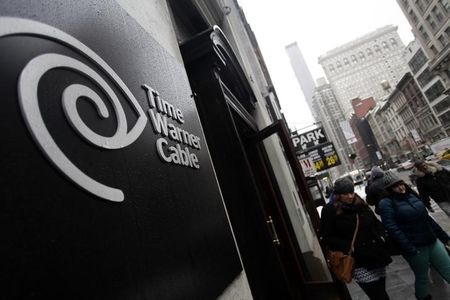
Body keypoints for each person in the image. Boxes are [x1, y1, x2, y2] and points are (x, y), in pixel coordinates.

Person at [378, 171, 450, 300]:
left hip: (431, 241)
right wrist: (409, 248)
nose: (401, 188)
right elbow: (392, 228)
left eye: (401, 184)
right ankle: (422, 296)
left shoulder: (412, 196)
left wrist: (445, 238)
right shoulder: (386, 203)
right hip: (415, 247)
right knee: (422, 277)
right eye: (396, 186)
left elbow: (427, 219)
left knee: (448, 267)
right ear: (389, 189)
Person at [321, 177, 392, 300]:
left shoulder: (360, 204)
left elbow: (375, 222)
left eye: (351, 192)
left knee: (381, 291)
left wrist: (382, 236)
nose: (350, 196)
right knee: (379, 296)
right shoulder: (330, 210)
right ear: (338, 195)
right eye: (345, 193)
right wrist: (350, 248)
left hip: (376, 255)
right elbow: (328, 237)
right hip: (359, 261)